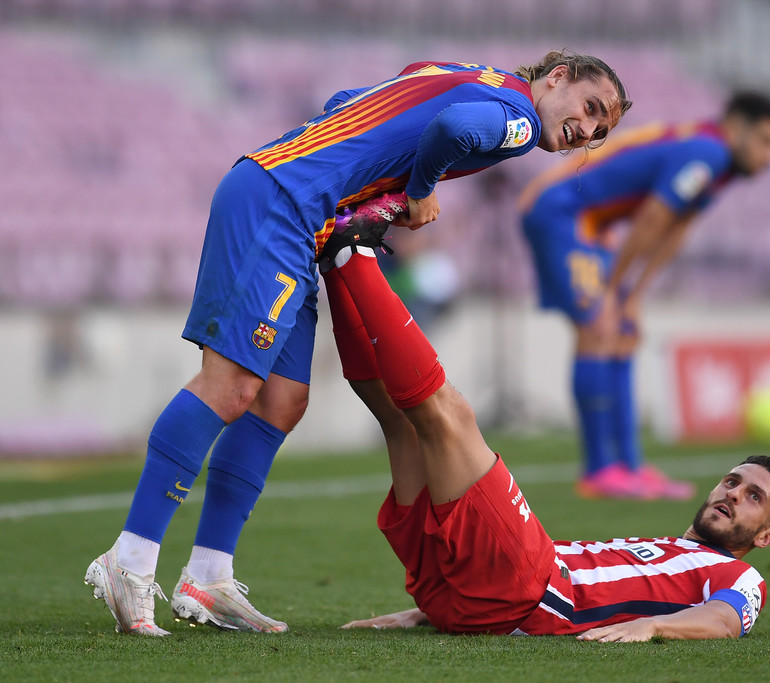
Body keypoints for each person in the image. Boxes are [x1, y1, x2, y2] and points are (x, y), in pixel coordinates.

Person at [84, 52, 631, 636]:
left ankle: (208, 576)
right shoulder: (518, 120)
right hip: (281, 202)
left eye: (600, 133)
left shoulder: (466, 74)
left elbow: (346, 100)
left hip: (296, 209)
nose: (586, 131)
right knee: (232, 385)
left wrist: (355, 173)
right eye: (589, 109)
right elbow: (450, 131)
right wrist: (419, 189)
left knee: (280, 402)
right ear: (556, 77)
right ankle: (130, 559)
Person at [318, 238, 770, 640]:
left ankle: (354, 254)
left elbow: (726, 620)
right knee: (400, 424)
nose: (733, 493)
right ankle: (336, 267)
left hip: (528, 587)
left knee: (451, 417)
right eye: (732, 481)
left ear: (766, 536)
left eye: (754, 497)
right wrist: (432, 611)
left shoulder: (742, 577)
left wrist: (652, 628)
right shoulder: (669, 550)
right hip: (467, 595)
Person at [518, 92, 770, 500]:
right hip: (562, 211)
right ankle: (598, 471)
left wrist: (633, 295)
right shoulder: (708, 153)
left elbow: (676, 228)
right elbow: (652, 218)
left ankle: (630, 465)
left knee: (623, 329)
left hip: (591, 219)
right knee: (597, 327)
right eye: (766, 141)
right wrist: (613, 291)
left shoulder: (718, 163)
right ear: (737, 127)